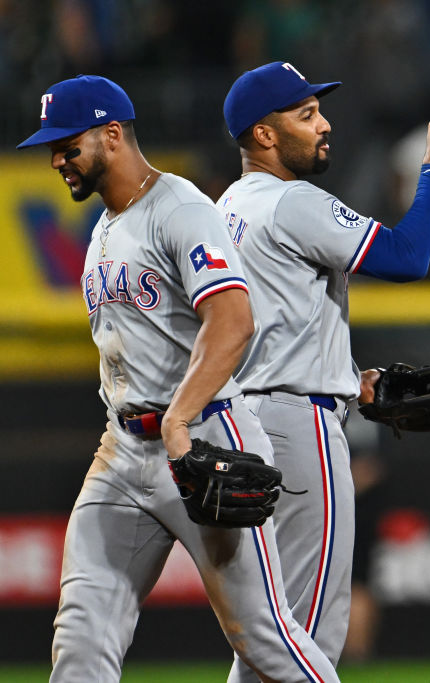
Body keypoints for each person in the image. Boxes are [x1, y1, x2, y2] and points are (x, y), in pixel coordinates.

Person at [17, 75, 341, 682]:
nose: (57, 159)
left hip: (204, 438)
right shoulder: (105, 230)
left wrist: (179, 418)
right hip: (122, 451)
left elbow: (232, 319)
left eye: (67, 144)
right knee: (81, 638)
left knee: (264, 639)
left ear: (112, 134)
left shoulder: (181, 208)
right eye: (52, 148)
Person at [216, 61, 430, 680]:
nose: (324, 124)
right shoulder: (291, 200)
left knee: (272, 632)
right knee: (309, 632)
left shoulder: (226, 206)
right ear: (263, 135)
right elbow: (406, 258)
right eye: (306, 115)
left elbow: (264, 325)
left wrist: (349, 378)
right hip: (297, 427)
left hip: (244, 419)